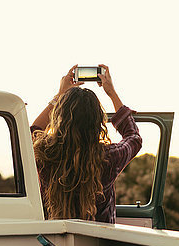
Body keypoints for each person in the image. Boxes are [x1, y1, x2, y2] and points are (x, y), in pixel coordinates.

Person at [30, 64, 142, 223]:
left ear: (58, 118)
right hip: (99, 244)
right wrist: (112, 93)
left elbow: (32, 132)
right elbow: (133, 138)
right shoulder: (108, 157)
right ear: (97, 121)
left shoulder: (45, 153)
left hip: (53, 243)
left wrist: (59, 95)